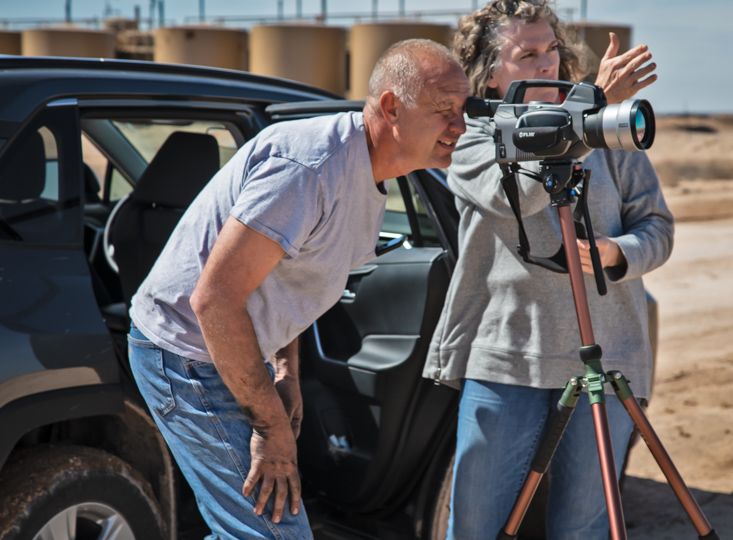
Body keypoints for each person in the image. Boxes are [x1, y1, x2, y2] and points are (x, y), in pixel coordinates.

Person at [127, 38, 468, 540]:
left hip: (228, 349)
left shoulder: (370, 175)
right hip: (187, 356)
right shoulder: (311, 168)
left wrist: (286, 367)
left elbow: (288, 278)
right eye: (444, 111)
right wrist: (271, 429)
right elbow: (214, 300)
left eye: (463, 110)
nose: (459, 127)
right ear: (391, 106)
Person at [423, 1, 674, 539]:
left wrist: (617, 252)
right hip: (508, 362)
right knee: (475, 526)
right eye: (528, 53)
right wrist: (594, 106)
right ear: (490, 75)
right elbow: (525, 193)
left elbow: (658, 227)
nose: (546, 63)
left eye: (552, 49)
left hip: (605, 361)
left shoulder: (608, 134)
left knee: (583, 527)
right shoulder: (472, 137)